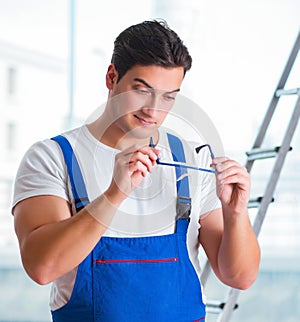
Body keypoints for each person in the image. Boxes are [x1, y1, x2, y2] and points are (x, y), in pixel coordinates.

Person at [12, 20, 260, 322]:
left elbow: (239, 277)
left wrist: (236, 213)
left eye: (169, 96)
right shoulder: (53, 158)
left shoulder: (192, 158)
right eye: (142, 91)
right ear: (111, 76)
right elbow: (42, 267)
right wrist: (115, 195)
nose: (153, 110)